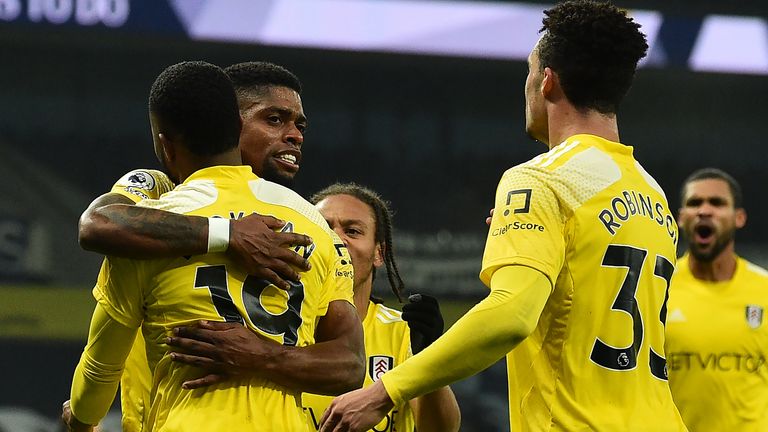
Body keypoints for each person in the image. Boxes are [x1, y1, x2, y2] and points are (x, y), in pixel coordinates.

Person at [318, 1, 688, 431]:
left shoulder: (541, 178)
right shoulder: (651, 192)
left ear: (547, 82)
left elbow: (510, 313)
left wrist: (385, 390)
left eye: (528, 72)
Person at [71, 62, 365, 431]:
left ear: (165, 144)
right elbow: (97, 223)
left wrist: (264, 357)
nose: (294, 136)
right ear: (235, 125)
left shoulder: (149, 229)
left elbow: (101, 367)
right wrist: (227, 234)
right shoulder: (311, 224)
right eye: (274, 120)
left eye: (299, 125)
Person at [300, 183, 460, 432]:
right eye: (324, 228)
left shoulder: (402, 333)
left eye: (352, 231)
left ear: (379, 254)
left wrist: (428, 357)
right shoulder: (281, 326)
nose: (336, 240)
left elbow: (440, 429)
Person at [665, 168, 768, 431]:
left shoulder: (764, 289)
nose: (704, 210)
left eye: (717, 203)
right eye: (694, 203)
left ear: (739, 217)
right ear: (680, 218)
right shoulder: (658, 289)